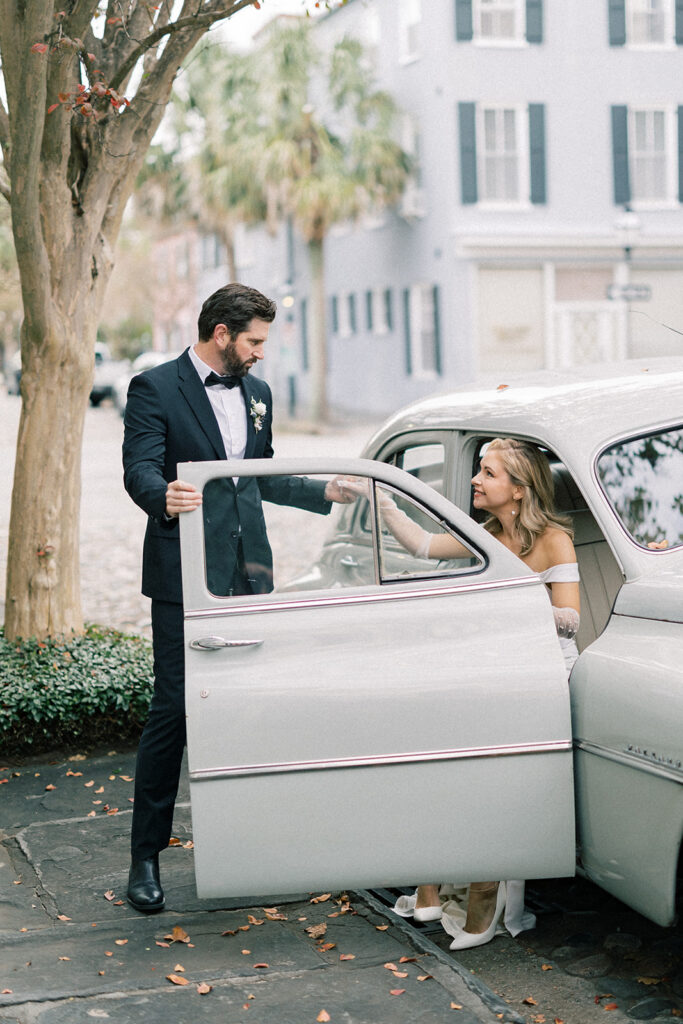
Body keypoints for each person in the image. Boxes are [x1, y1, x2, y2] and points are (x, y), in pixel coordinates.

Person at [122, 283, 352, 913]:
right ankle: (146, 857)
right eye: (254, 341)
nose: (260, 354)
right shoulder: (154, 388)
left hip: (251, 572)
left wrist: (321, 491)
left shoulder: (259, 394)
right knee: (173, 710)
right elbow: (139, 467)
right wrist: (159, 495)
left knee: (255, 706)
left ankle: (260, 847)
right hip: (182, 575)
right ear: (221, 333)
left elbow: (262, 473)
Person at [351, 438, 580, 949]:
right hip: (496, 670)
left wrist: (509, 606)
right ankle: (433, 881)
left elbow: (570, 620)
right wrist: (380, 496)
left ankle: (483, 888)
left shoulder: (555, 541)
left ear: (518, 491)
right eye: (479, 470)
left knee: (493, 775)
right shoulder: (486, 535)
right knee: (441, 755)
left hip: (543, 674)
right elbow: (422, 545)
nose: (476, 480)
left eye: (489, 473)